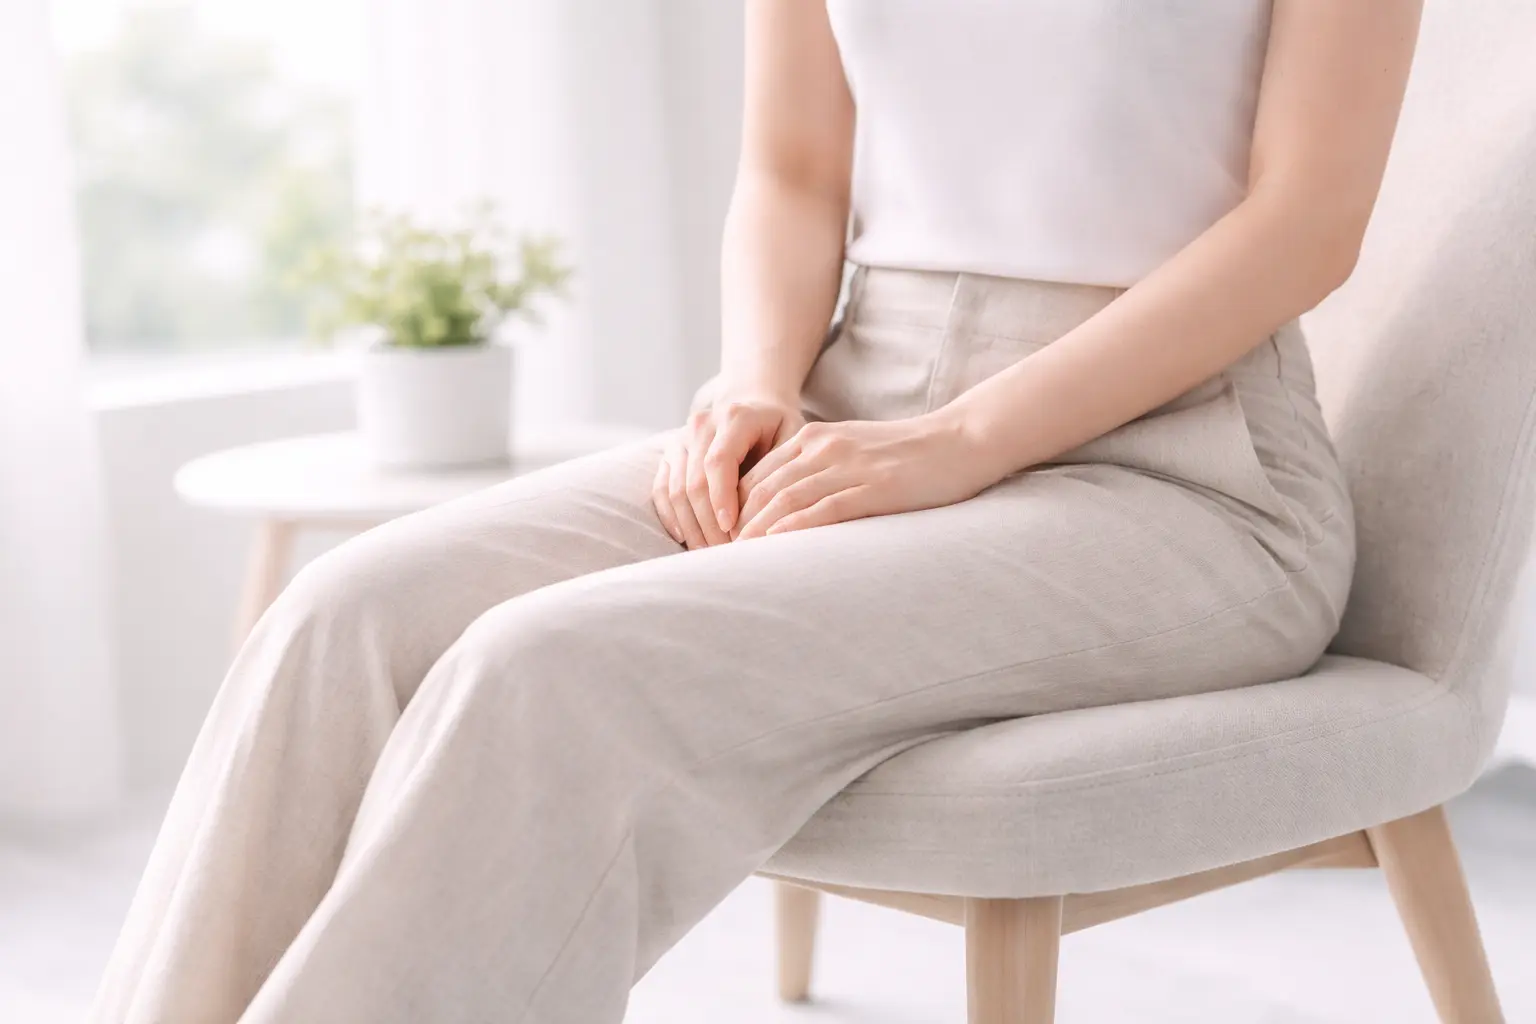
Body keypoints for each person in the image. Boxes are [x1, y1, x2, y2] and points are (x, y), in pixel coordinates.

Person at [92, 2, 1423, 1020]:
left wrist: (963, 440)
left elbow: (1309, 220)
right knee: (344, 615)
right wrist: (756, 382)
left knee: (552, 674)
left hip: (1183, 479)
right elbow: (792, 168)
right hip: (848, 403)